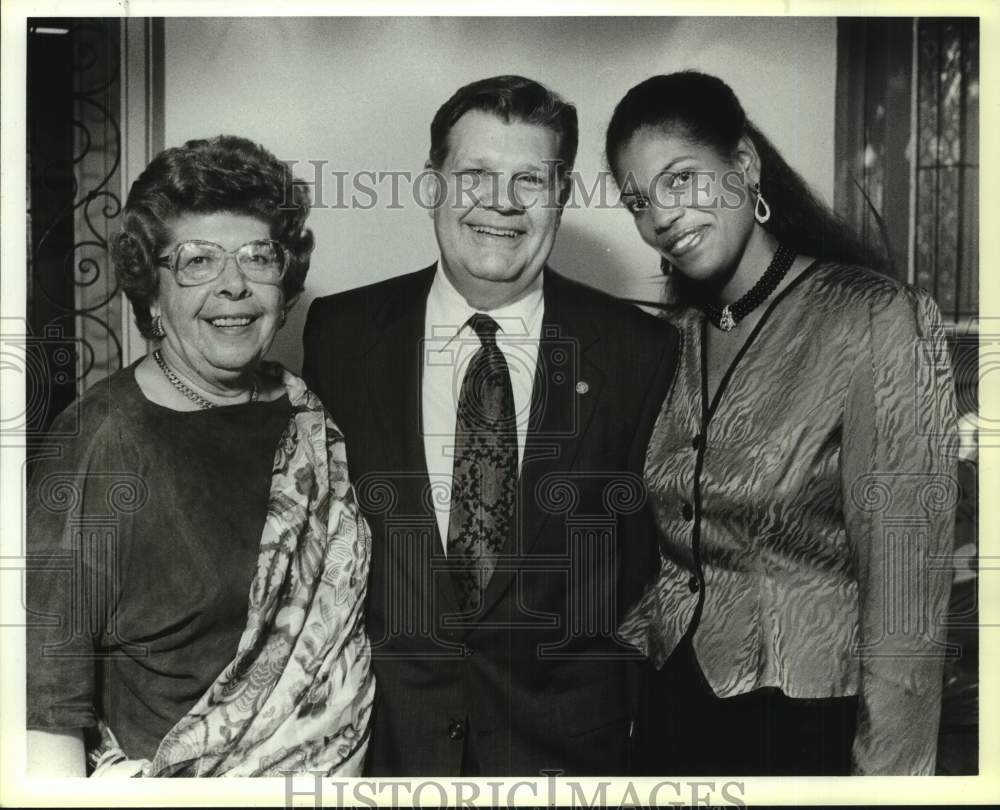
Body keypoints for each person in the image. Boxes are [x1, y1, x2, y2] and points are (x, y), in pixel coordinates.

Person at [303, 75, 679, 776]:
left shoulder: (639, 351)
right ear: (433, 185)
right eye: (474, 175)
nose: (501, 203)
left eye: (530, 180)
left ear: (561, 196)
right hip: (384, 753)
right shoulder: (340, 336)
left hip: (566, 763)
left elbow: (645, 575)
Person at [604, 71, 958, 775]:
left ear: (744, 165)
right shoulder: (671, 337)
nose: (661, 218)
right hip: (670, 714)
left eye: (681, 180)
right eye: (639, 201)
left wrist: (888, 783)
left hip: (803, 728)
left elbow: (906, 598)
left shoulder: (875, 318)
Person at [26, 135, 374, 777]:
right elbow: (45, 707)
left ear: (285, 282)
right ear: (152, 293)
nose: (234, 285)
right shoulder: (98, 442)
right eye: (198, 261)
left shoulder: (305, 414)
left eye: (258, 257)